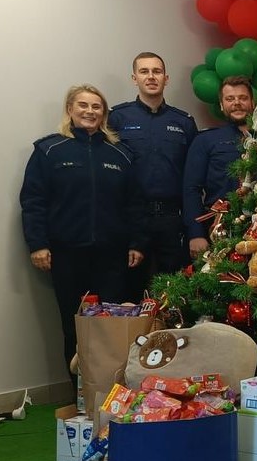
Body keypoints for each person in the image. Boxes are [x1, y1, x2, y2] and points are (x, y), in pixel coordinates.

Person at [20, 85, 146, 388]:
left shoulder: (121, 154)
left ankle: (110, 392)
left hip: (112, 256)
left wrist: (137, 243)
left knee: (112, 326)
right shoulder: (49, 150)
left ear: (104, 113)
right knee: (73, 325)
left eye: (96, 106)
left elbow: (135, 204)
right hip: (66, 254)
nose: (90, 111)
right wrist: (38, 244)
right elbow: (33, 201)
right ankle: (79, 395)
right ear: (70, 110)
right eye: (83, 105)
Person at [109, 52, 197, 297]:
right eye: (144, 71)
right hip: (131, 220)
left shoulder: (183, 122)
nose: (151, 76)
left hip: (171, 220)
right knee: (130, 291)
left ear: (166, 78)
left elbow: (192, 177)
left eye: (157, 71)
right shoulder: (118, 117)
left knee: (175, 291)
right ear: (134, 78)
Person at [182, 76, 255, 259]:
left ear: (252, 103)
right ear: (222, 105)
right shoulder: (205, 140)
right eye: (230, 99)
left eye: (243, 98)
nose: (237, 103)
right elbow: (191, 189)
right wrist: (196, 233)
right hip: (219, 229)